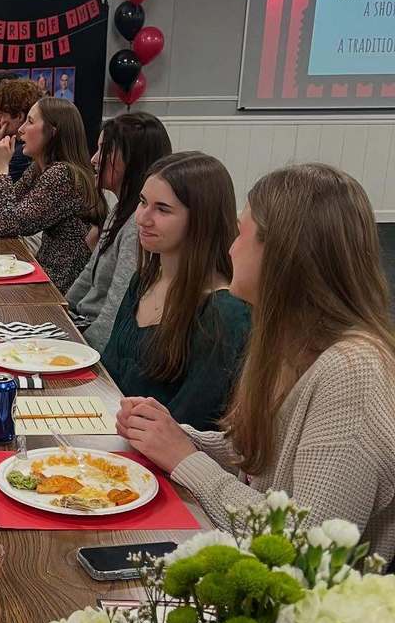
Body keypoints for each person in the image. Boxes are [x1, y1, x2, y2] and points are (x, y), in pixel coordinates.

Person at [118, 163, 395, 564]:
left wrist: (185, 459)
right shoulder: (288, 341)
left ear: (283, 256)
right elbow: (262, 455)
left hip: (305, 611)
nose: (230, 247)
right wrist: (179, 436)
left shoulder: (352, 373)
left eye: (242, 234)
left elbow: (305, 548)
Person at [102, 151, 251, 432]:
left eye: (162, 209)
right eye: (143, 202)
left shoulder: (224, 311)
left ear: (201, 220)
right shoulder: (143, 280)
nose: (143, 218)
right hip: (111, 436)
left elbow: (193, 421)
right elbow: (108, 376)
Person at [0, 97, 103, 292]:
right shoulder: (39, 168)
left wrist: (1, 168)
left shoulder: (63, 174)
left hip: (55, 289)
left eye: (31, 122)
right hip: (41, 274)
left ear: (53, 132)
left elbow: (7, 225)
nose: (21, 129)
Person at [67, 113, 173, 351]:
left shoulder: (138, 226)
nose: (94, 159)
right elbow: (86, 278)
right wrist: (59, 313)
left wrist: (81, 352)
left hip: (93, 340)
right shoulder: (119, 209)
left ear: (132, 160)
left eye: (104, 150)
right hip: (81, 326)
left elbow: (115, 310)